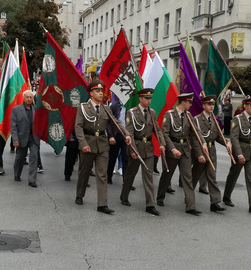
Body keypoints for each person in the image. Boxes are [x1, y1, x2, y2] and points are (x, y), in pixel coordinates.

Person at [74, 80, 122, 214]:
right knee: (84, 173)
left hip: (102, 144)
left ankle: (102, 204)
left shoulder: (106, 108)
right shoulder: (83, 107)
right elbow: (78, 127)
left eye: (101, 91)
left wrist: (127, 134)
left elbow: (116, 123)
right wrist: (83, 144)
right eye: (97, 91)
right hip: (88, 144)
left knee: (102, 175)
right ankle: (80, 194)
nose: (101, 93)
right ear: (91, 93)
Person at [120, 88, 167, 216]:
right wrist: (133, 150)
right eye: (146, 98)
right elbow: (129, 132)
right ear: (140, 99)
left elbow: (157, 130)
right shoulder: (132, 113)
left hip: (149, 149)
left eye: (150, 98)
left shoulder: (152, 113)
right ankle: (124, 196)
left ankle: (150, 205)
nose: (149, 100)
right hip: (136, 147)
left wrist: (162, 144)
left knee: (148, 177)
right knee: (131, 174)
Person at [156, 92, 204, 216]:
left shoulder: (189, 116)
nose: (191, 104)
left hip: (185, 151)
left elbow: (195, 133)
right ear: (183, 102)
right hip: (173, 150)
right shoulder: (170, 115)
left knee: (187, 178)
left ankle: (190, 206)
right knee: (167, 175)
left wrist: (202, 144)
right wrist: (172, 149)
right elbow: (164, 134)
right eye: (189, 102)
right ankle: (160, 197)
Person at [190, 95, 232, 214]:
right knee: (195, 176)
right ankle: (188, 196)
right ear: (203, 106)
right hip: (201, 151)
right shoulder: (197, 119)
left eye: (213, 105)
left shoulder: (214, 119)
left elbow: (218, 136)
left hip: (211, 150)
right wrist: (199, 154)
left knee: (212, 177)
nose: (211, 106)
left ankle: (215, 202)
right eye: (209, 104)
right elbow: (195, 138)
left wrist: (227, 143)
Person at [10, 90, 40, 187]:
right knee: (20, 158)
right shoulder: (16, 110)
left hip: (34, 139)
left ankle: (32, 180)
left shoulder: (36, 110)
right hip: (21, 138)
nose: (29, 99)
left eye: (31, 97)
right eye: (27, 97)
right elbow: (13, 126)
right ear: (23, 98)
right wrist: (15, 140)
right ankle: (17, 174)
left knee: (34, 158)